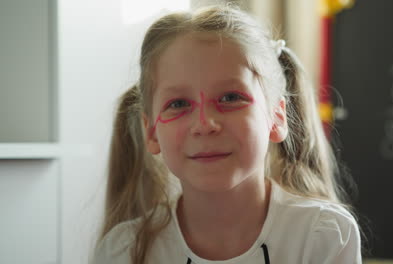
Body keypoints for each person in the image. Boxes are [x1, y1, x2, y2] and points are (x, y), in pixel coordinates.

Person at [91, 4, 362, 264]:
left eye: (231, 97)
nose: (205, 124)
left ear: (277, 117)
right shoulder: (124, 252)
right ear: (151, 132)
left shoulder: (322, 236)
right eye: (178, 104)